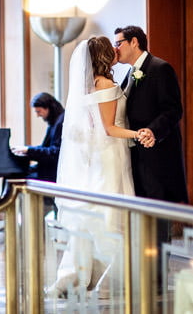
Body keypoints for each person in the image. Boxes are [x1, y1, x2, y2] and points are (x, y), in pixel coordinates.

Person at [49, 36, 151, 298]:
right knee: (109, 215)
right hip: (110, 156)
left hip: (98, 156)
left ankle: (78, 276)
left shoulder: (88, 85)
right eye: (112, 48)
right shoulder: (104, 84)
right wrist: (138, 134)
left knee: (97, 215)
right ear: (105, 56)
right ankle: (107, 279)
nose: (117, 50)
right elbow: (110, 128)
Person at [114, 25, 188, 204]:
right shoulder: (130, 73)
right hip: (136, 152)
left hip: (157, 155)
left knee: (158, 207)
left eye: (118, 43)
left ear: (134, 42)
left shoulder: (160, 68)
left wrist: (153, 131)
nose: (115, 49)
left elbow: (173, 109)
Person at [11, 92, 65, 214]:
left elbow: (54, 152)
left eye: (39, 111)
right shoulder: (55, 122)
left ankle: (29, 219)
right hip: (50, 170)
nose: (37, 115)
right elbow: (46, 149)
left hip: (53, 174)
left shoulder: (60, 123)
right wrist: (27, 151)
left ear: (48, 108)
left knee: (20, 181)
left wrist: (28, 150)